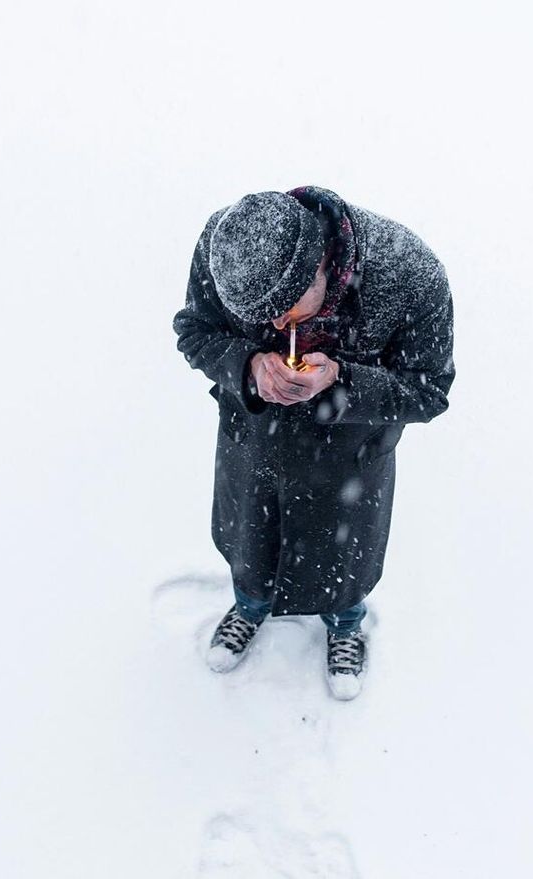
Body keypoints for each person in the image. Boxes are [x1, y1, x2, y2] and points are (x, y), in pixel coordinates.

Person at [172, 185, 455, 700]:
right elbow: (194, 331)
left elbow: (430, 390)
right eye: (264, 318)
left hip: (349, 463)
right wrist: (249, 365)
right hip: (255, 446)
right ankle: (249, 606)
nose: (278, 327)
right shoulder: (226, 246)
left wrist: (343, 383)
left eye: (285, 309)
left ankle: (346, 627)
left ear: (322, 264)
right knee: (250, 551)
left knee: (342, 566)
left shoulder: (410, 273)